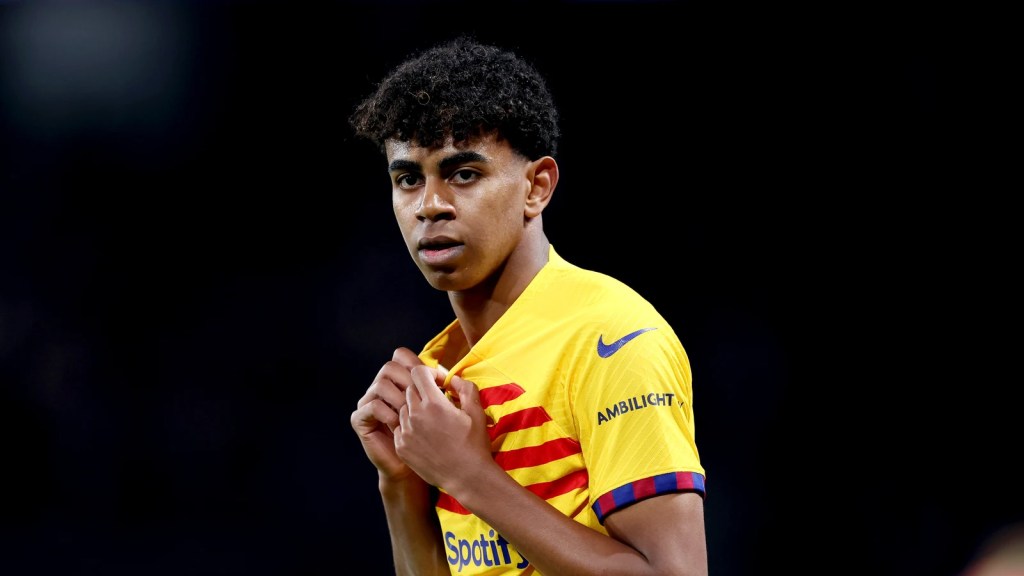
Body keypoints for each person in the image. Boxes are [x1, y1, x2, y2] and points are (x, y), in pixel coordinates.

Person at [348, 35, 707, 576]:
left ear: (537, 187)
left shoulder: (612, 338)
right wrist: (400, 485)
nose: (430, 206)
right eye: (408, 179)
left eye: (463, 174)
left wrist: (468, 475)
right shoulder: (439, 371)